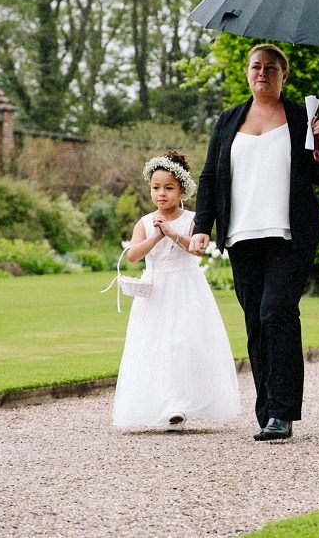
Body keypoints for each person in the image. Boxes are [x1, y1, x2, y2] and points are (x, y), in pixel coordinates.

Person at [189, 44, 319, 441]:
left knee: (276, 313)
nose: (262, 73)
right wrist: (203, 225)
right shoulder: (227, 120)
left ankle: (282, 412)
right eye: (256, 67)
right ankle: (267, 409)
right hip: (241, 236)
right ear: (246, 73)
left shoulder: (300, 118)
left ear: (284, 76)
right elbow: (209, 177)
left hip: (289, 236)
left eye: (271, 68)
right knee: (255, 321)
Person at [112, 151, 240, 431]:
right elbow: (132, 255)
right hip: (156, 291)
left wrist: (172, 234)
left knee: (183, 342)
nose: (161, 194)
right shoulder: (145, 222)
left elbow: (197, 250)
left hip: (186, 288)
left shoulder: (193, 219)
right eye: (156, 188)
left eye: (168, 188)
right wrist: (156, 235)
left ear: (182, 189)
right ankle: (162, 404)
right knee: (156, 345)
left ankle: (181, 404)